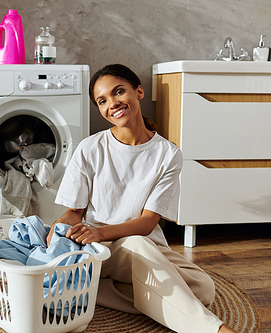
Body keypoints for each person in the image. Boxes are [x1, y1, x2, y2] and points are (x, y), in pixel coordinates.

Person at [47, 64, 236, 333]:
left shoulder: (168, 154)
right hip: (103, 250)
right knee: (143, 252)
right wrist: (61, 227)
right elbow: (74, 212)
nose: (112, 103)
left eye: (119, 92)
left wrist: (99, 232)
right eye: (102, 101)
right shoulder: (90, 148)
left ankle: (92, 292)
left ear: (139, 92)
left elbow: (148, 223)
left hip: (143, 245)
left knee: (203, 290)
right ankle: (214, 330)